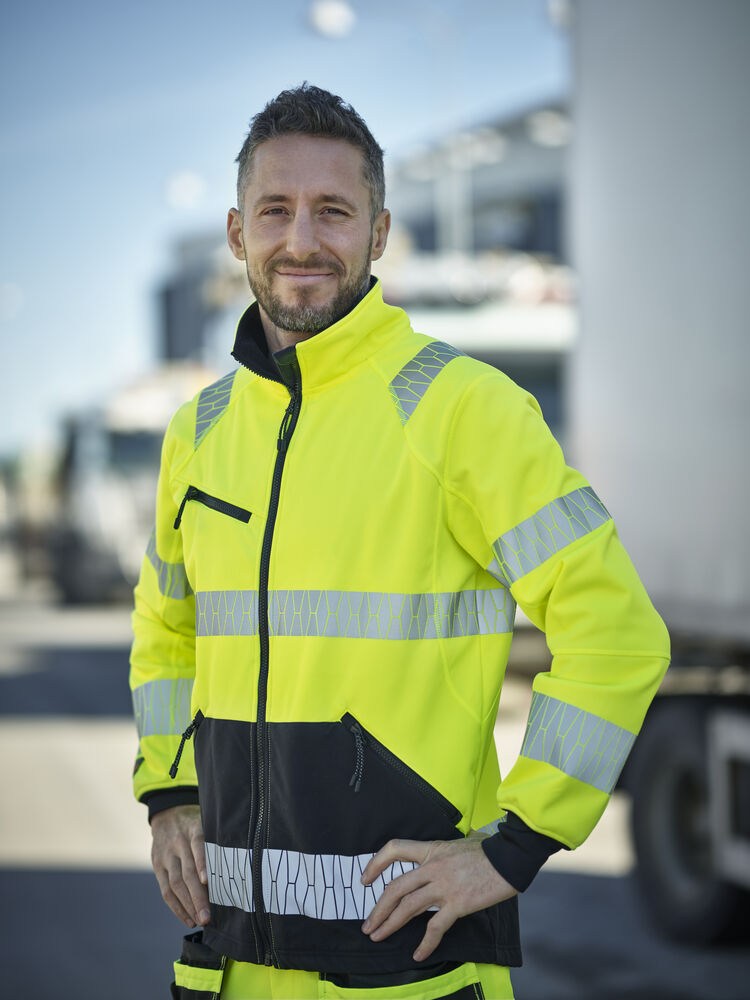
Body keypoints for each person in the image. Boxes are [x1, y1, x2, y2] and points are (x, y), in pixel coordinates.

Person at [130, 83, 670, 1000]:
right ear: (236, 233)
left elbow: (616, 635)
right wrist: (171, 792)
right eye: (275, 210)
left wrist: (515, 846)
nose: (302, 240)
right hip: (226, 965)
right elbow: (167, 632)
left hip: (414, 973)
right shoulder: (199, 431)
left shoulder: (465, 410)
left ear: (379, 234)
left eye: (334, 211)